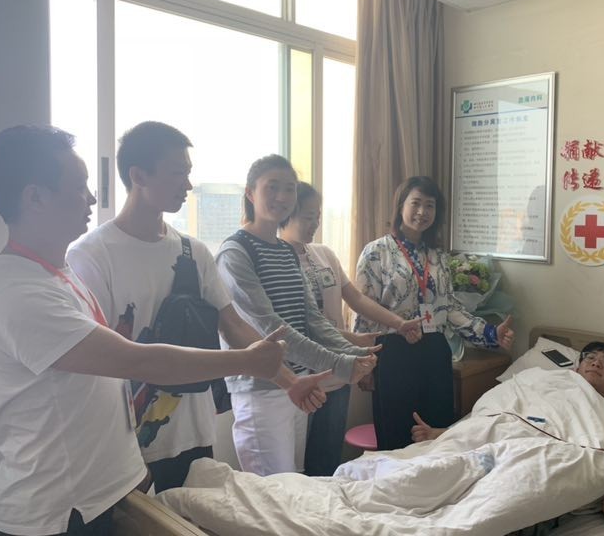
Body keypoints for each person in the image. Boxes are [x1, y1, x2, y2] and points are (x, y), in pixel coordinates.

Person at [0, 125, 286, 536]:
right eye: (79, 187)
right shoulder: (17, 291)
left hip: (104, 492)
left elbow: (99, 392)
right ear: (35, 197)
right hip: (55, 510)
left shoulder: (58, 274)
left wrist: (132, 472)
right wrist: (247, 362)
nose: (92, 198)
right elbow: (137, 361)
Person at [67, 122, 336, 493]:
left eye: (189, 173)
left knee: (196, 517)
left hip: (193, 432)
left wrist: (289, 382)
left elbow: (233, 327)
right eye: (178, 173)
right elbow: (97, 359)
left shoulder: (193, 251)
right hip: (123, 442)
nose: (188, 185)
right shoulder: (91, 255)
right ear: (139, 176)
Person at [216, 155, 381, 476]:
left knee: (295, 483)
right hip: (261, 388)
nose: (281, 197)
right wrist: (339, 363)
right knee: (275, 488)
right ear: (250, 193)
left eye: (289, 189)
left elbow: (311, 319)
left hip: (298, 385)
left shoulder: (285, 251)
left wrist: (353, 351)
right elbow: (272, 327)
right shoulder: (235, 252)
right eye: (272, 187)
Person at [354, 176, 515, 451]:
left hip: (435, 352)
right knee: (397, 437)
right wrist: (363, 363)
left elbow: (449, 307)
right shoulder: (376, 252)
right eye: (416, 203)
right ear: (400, 206)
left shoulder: (438, 257)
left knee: (437, 435)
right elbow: (364, 310)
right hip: (394, 353)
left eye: (430, 205)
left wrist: (490, 333)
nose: (422, 212)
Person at [278, 182, 422, 476]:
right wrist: (350, 339)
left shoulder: (323, 254)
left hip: (338, 373)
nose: (315, 224)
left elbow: (355, 298)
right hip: (300, 376)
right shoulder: (276, 261)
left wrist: (397, 323)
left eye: (318, 216)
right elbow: (298, 326)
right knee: (295, 469)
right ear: (287, 214)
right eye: (307, 217)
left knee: (328, 460)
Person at [412, 341, 604, 526]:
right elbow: (496, 411)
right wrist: (447, 433)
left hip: (542, 460)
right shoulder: (539, 379)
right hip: (494, 440)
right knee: (424, 478)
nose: (596, 363)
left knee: (503, 501)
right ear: (577, 367)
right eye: (590, 357)